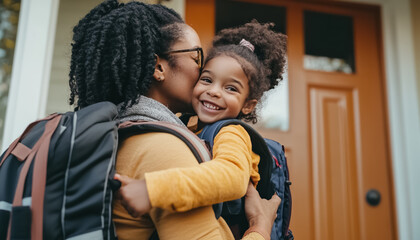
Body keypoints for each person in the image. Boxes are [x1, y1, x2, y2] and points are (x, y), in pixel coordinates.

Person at [69, 0, 278, 239]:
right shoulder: (164, 149)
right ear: (158, 67)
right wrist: (260, 227)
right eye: (198, 58)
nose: (202, 74)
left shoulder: (116, 132)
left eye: (230, 87)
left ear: (248, 105)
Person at [115, 20, 287, 236]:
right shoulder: (184, 126)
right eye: (206, 79)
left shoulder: (232, 132)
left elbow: (232, 177)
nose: (214, 91)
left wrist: (153, 189)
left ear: (248, 105)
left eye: (231, 88)